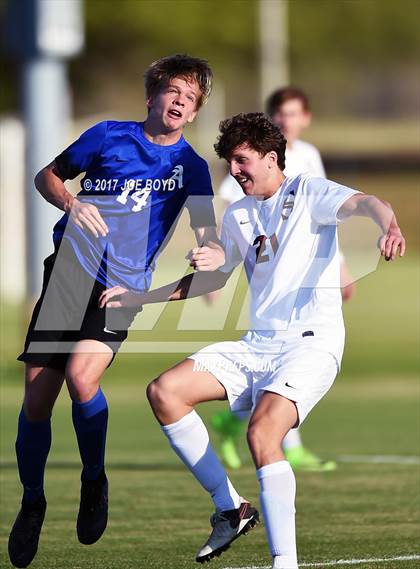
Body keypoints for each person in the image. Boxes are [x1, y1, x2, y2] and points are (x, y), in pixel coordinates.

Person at [100, 112, 405, 568]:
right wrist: (141, 297)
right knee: (165, 392)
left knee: (263, 431)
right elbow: (209, 281)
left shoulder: (308, 192)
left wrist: (390, 225)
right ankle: (231, 508)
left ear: (269, 157)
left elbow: (367, 202)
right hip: (258, 343)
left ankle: (285, 562)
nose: (235, 171)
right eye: (229, 163)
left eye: (242, 161)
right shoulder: (239, 214)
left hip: (311, 344)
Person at [8, 54, 224, 569]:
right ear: (151, 95)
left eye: (189, 98)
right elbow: (47, 178)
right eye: (172, 90)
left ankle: (92, 480)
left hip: (122, 288)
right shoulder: (106, 136)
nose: (178, 101)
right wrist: (71, 203)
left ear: (194, 111)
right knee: (38, 400)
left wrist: (211, 251)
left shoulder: (190, 168)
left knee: (83, 378)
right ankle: (32, 501)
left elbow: (208, 237)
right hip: (67, 273)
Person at [213, 87, 352, 471]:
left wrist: (339, 265)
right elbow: (235, 205)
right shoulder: (249, 167)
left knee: (289, 367)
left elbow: (324, 212)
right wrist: (220, 255)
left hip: (308, 280)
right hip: (272, 278)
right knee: (280, 359)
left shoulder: (308, 159)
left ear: (305, 118)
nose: (286, 121)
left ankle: (236, 423)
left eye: (292, 114)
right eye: (280, 114)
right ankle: (288, 449)